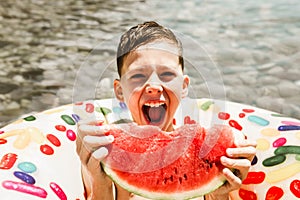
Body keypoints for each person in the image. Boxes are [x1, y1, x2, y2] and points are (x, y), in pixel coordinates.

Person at [76, 21, 256, 200]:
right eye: (138, 75)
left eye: (167, 75)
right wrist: (101, 186)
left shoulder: (208, 152)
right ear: (119, 90)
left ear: (184, 86)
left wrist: (218, 194)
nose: (154, 86)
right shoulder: (101, 151)